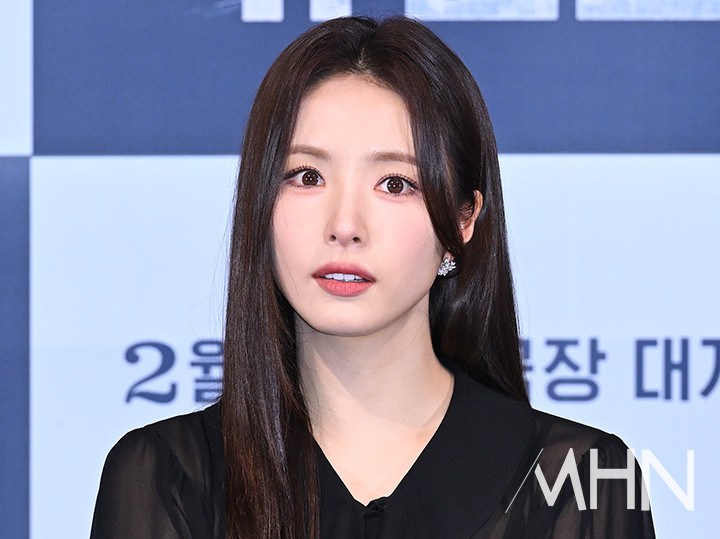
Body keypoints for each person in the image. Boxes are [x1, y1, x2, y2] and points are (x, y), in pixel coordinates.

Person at [90, 16, 656, 539]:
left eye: (395, 184)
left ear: (463, 222)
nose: (344, 226)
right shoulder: (167, 474)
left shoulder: (583, 482)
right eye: (306, 176)